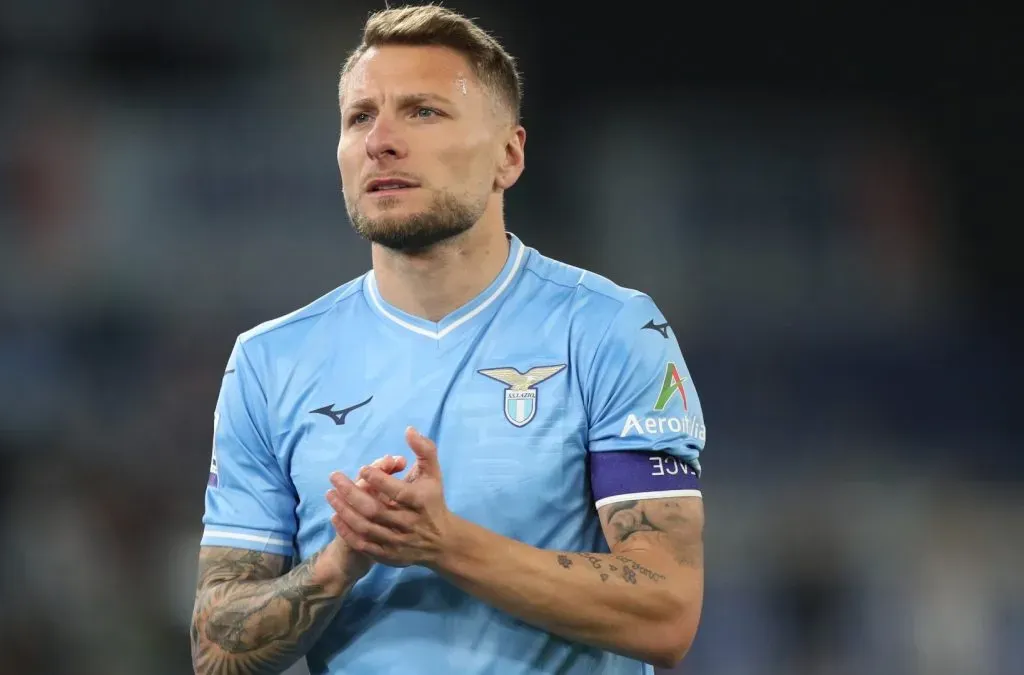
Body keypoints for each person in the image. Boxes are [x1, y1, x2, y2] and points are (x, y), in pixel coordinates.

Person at [191, 5, 706, 674]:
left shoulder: (610, 330)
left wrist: (444, 544)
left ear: (508, 156)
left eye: (423, 112)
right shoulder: (269, 362)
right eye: (360, 117)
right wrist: (341, 560)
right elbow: (215, 651)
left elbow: (667, 612)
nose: (381, 141)